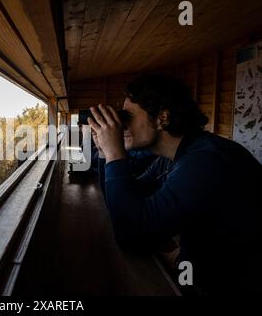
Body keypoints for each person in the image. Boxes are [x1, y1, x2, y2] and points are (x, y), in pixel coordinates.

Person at [87, 74, 262, 295]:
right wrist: (105, 153)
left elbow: (131, 234)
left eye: (127, 116)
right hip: (201, 270)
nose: (121, 125)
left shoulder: (206, 161)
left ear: (163, 117)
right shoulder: (172, 157)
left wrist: (114, 153)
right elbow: (129, 200)